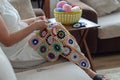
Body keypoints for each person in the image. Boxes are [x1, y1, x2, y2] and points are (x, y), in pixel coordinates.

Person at [0, 0, 106, 80]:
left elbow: (14, 23)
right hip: (17, 53)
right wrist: (34, 26)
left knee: (56, 28)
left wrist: (33, 20)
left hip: (24, 41)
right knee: (58, 33)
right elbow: (8, 41)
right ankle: (89, 72)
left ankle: (87, 70)